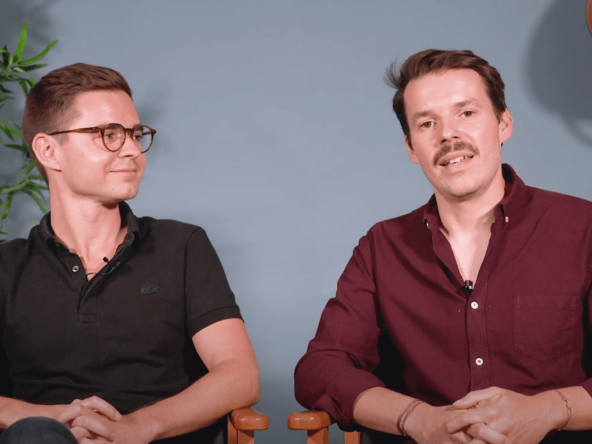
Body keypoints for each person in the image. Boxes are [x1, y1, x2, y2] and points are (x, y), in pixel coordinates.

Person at [294, 49, 592, 444]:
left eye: (466, 113)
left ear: (503, 124)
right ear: (411, 148)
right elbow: (320, 368)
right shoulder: (381, 247)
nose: (448, 135)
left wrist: (548, 409)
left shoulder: (582, 227)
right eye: (427, 123)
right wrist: (418, 420)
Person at [0, 63, 260, 444]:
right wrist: (51, 420)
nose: (133, 151)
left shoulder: (181, 246)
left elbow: (240, 375)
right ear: (49, 151)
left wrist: (137, 428)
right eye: (109, 135)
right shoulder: (7, 268)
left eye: (136, 135)